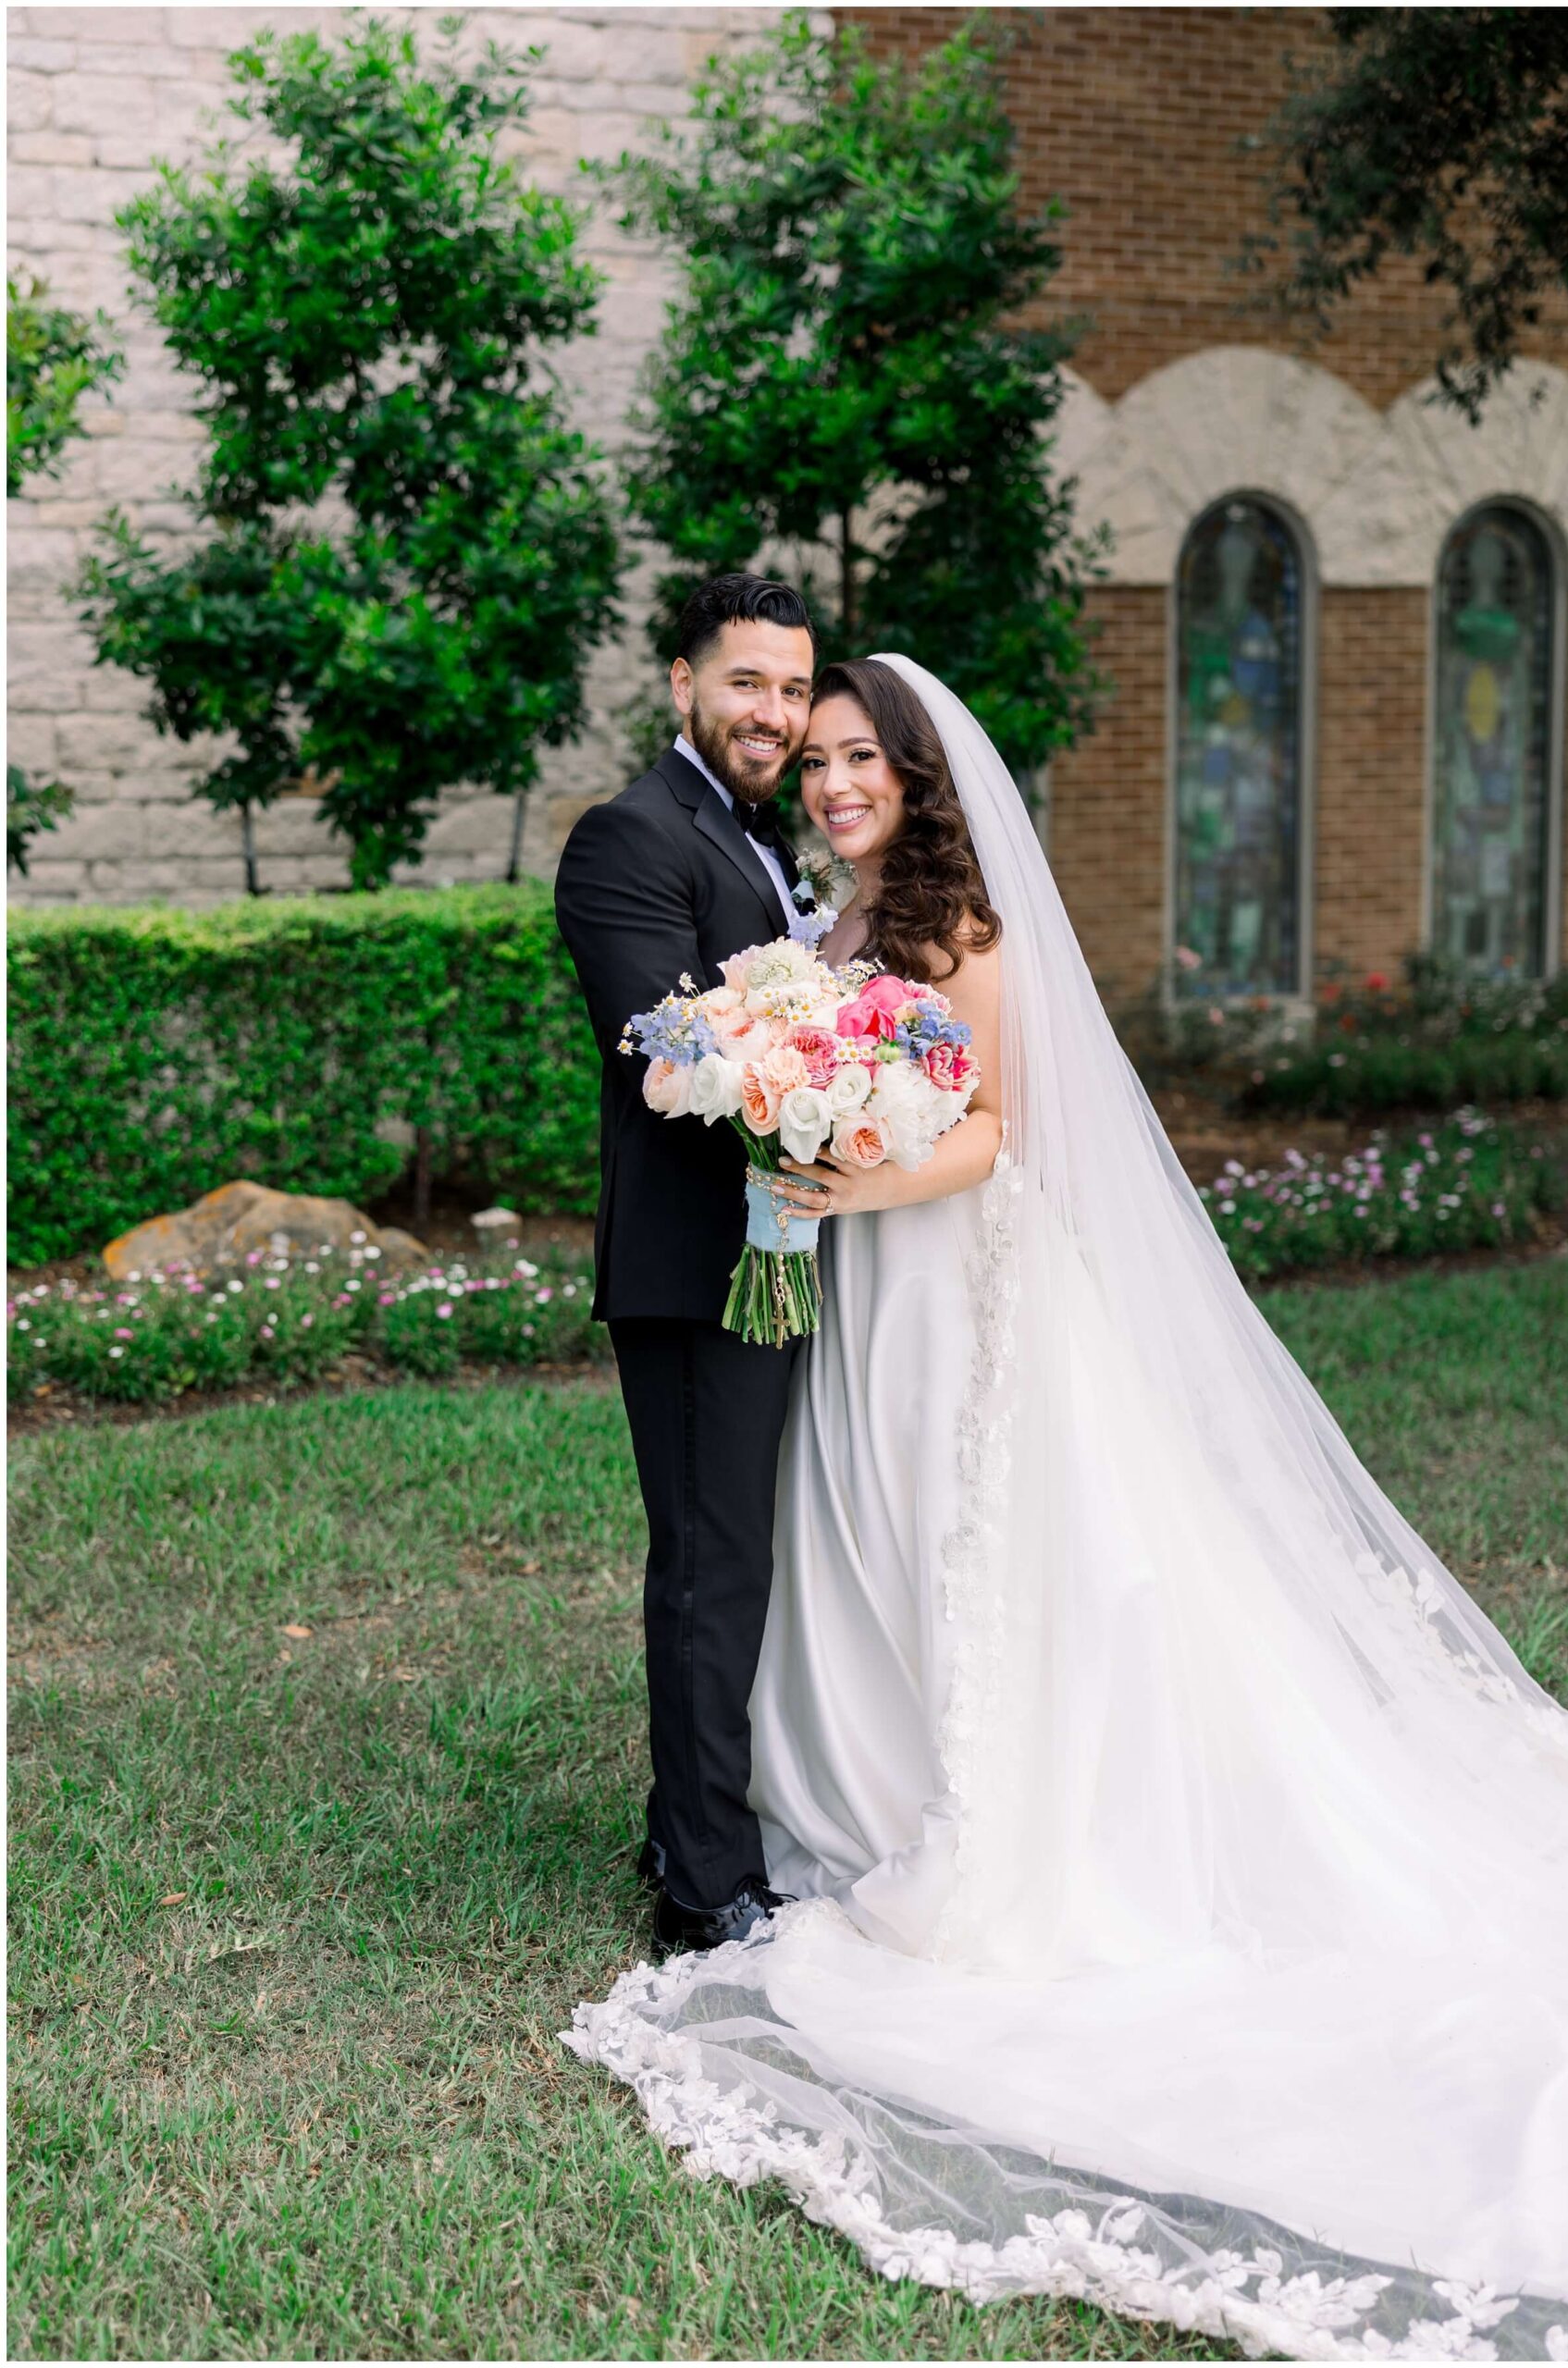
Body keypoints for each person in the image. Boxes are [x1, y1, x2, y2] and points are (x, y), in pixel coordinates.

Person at [564, 655, 1568, 2363]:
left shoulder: (955, 923)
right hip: (855, 1285)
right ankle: (860, 1791)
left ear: (920, 773)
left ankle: (998, 1809)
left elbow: (1000, 1131)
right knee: (867, 1539)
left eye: (860, 757)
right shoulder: (825, 923)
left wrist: (852, 1162)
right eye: (815, 760)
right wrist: (802, 1117)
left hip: (953, 1285)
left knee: (989, 1549)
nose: (832, 783)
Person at [553, 573, 816, 1957]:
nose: (771, 711)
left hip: (782, 1249)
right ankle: (704, 1884)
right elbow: (666, 1042)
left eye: (790, 687)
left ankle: (700, 1815)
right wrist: (828, 1052)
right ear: (683, 684)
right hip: (697, 1261)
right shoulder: (628, 837)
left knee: (758, 1558)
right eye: (746, 683)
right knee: (713, 1564)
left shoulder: (760, 836)